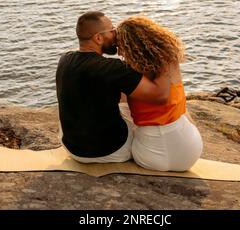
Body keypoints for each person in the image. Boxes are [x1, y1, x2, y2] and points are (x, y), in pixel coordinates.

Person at [56, 11, 170, 163]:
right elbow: (160, 95)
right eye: (111, 30)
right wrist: (166, 59)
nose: (116, 34)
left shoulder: (65, 59)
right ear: (98, 38)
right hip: (110, 151)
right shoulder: (112, 68)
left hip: (73, 149)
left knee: (121, 88)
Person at [116, 15, 203, 172]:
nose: (119, 52)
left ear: (128, 47)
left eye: (120, 46)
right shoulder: (170, 62)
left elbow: (125, 113)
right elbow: (181, 101)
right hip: (189, 153)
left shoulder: (127, 73)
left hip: (149, 157)